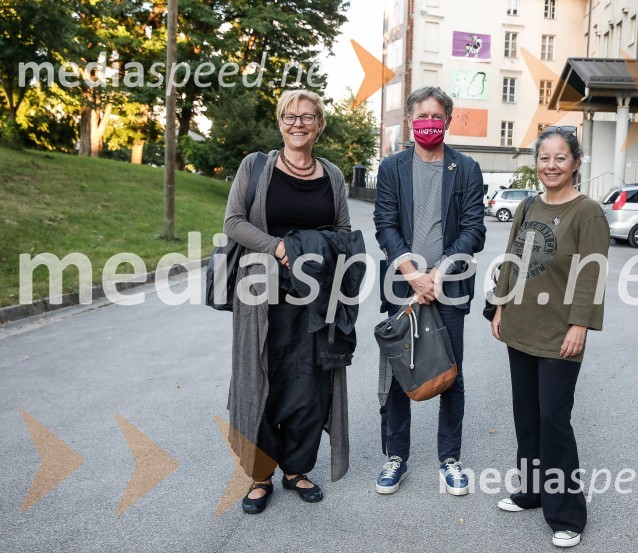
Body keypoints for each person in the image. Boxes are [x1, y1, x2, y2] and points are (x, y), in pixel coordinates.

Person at [223, 89, 353, 514]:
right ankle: (260, 476)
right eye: (290, 116)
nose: (298, 124)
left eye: (308, 117)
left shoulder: (331, 174)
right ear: (280, 122)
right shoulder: (256, 166)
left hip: (314, 300)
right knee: (260, 381)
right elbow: (234, 222)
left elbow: (343, 233)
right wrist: (280, 247)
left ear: (319, 126)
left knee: (307, 383)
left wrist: (317, 255)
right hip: (260, 296)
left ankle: (296, 468)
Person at [490, 126, 609, 547]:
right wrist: (500, 304)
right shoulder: (527, 206)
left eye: (560, 158)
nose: (551, 165)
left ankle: (568, 515)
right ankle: (531, 491)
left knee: (554, 421)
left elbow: (591, 272)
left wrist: (581, 324)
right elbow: (511, 259)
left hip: (560, 333)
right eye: (544, 158)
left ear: (575, 163)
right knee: (527, 417)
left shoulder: (588, 211)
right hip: (519, 326)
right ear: (536, 163)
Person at [373, 86, 486, 496]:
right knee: (400, 372)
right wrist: (413, 274)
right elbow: (384, 224)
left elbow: (475, 229)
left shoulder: (467, 169)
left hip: (449, 287)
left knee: (449, 373)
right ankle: (396, 457)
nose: (429, 123)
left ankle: (449, 459)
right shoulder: (392, 168)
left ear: (448, 120)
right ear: (409, 120)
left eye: (436, 116)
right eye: (422, 116)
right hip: (402, 285)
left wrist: (436, 275)